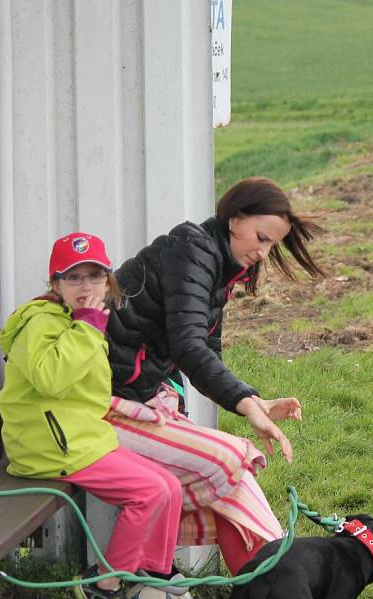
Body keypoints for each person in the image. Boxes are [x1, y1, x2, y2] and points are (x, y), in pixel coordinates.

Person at [106, 176, 324, 575]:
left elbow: (208, 352)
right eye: (260, 237)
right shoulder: (192, 251)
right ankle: (155, 577)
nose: (263, 251)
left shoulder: (218, 264)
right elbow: (189, 346)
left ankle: (271, 576)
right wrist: (246, 407)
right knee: (229, 460)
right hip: (108, 403)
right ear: (234, 218)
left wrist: (255, 401)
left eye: (272, 244)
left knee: (236, 481)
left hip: (140, 397)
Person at [0, 233, 185, 599]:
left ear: (108, 280)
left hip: (80, 435)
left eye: (95, 276)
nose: (86, 286)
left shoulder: (83, 319)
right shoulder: (44, 323)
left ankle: (154, 577)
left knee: (169, 487)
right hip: (48, 446)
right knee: (146, 494)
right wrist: (86, 328)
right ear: (55, 284)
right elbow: (51, 380)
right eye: (73, 277)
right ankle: (104, 584)